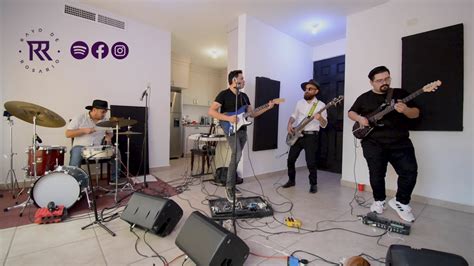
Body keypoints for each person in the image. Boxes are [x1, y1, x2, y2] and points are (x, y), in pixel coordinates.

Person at [348, 66, 419, 222]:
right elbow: (351, 112)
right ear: (371, 82)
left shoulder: (400, 94)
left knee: (410, 171)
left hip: (400, 141)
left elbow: (416, 113)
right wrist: (360, 119)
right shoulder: (364, 97)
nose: (384, 82)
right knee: (377, 174)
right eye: (379, 80)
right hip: (373, 142)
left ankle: (401, 202)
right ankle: (379, 201)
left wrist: (406, 110)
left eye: (387, 78)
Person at [208, 70, 274, 202]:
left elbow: (253, 114)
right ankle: (229, 187)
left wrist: (268, 107)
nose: (244, 81)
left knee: (236, 157)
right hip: (230, 129)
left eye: (243, 79)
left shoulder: (244, 96)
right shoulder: (224, 94)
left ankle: (231, 184)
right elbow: (211, 111)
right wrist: (229, 119)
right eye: (242, 78)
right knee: (236, 155)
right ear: (234, 80)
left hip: (243, 130)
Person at [282, 79, 327, 193]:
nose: (306, 91)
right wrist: (289, 123)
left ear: (316, 91)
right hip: (297, 134)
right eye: (306, 89)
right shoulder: (299, 103)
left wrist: (320, 118)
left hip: (311, 137)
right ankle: (291, 180)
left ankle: (313, 184)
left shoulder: (321, 105)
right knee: (290, 159)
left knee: (311, 162)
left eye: (310, 89)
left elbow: (324, 124)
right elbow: (294, 115)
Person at [66, 99, 124, 185]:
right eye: (103, 112)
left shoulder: (105, 120)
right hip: (81, 147)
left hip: (98, 148)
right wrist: (83, 131)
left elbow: (110, 133)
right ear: (94, 110)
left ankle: (114, 179)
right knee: (76, 153)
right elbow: (68, 134)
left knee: (116, 151)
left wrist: (108, 137)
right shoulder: (80, 118)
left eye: (105, 112)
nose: (104, 114)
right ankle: (73, 183)